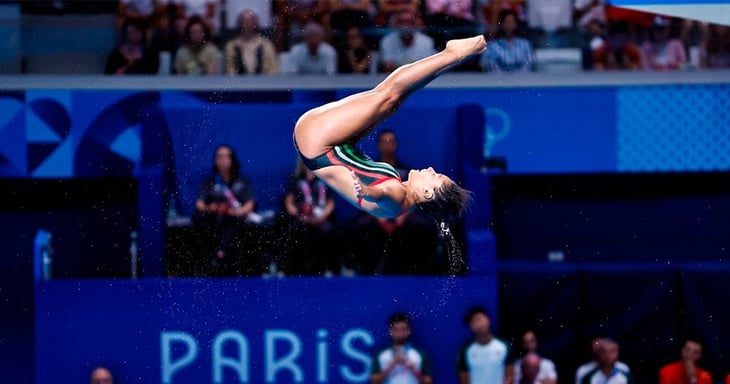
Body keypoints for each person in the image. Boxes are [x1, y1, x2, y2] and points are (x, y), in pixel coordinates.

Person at [293, 35, 483, 230]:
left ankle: (453, 54)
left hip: (317, 140)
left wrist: (367, 191)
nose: (432, 170)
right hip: (328, 146)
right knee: (393, 101)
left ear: (427, 193)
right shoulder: (405, 202)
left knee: (388, 95)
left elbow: (384, 194)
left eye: (436, 176)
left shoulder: (398, 197)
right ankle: (451, 59)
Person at [193, 144, 258, 275]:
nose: (222, 160)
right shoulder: (209, 181)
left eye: (226, 156)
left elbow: (250, 203)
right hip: (214, 218)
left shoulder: (242, 181)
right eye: (219, 156)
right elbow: (199, 203)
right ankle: (211, 261)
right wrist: (209, 208)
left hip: (235, 218)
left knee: (235, 223)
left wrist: (238, 211)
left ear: (232, 159)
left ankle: (222, 255)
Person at [278, 159, 339, 276]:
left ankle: (328, 269)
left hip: (321, 217)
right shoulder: (295, 180)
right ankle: (294, 269)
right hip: (300, 218)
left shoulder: (325, 180)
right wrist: (301, 215)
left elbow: (330, 202)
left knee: (329, 231)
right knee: (295, 232)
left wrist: (321, 217)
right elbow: (289, 202)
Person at [371, 312, 433, 384]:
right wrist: (393, 364)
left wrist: (413, 369)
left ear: (409, 330)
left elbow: (428, 382)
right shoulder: (381, 354)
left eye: (403, 329)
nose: (400, 333)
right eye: (396, 329)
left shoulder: (419, 353)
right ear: (390, 330)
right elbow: (374, 381)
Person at [457, 306, 509, 384]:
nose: (478, 324)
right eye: (473, 322)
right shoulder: (465, 351)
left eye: (479, 319)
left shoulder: (504, 346)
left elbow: (510, 376)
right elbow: (464, 380)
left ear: (488, 319)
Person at [223, 9, 279, 75]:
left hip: (263, 82)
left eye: (250, 21)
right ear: (240, 23)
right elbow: (229, 70)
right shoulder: (231, 46)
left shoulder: (266, 45)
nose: (248, 24)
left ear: (255, 23)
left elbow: (274, 70)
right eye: (245, 21)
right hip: (239, 83)